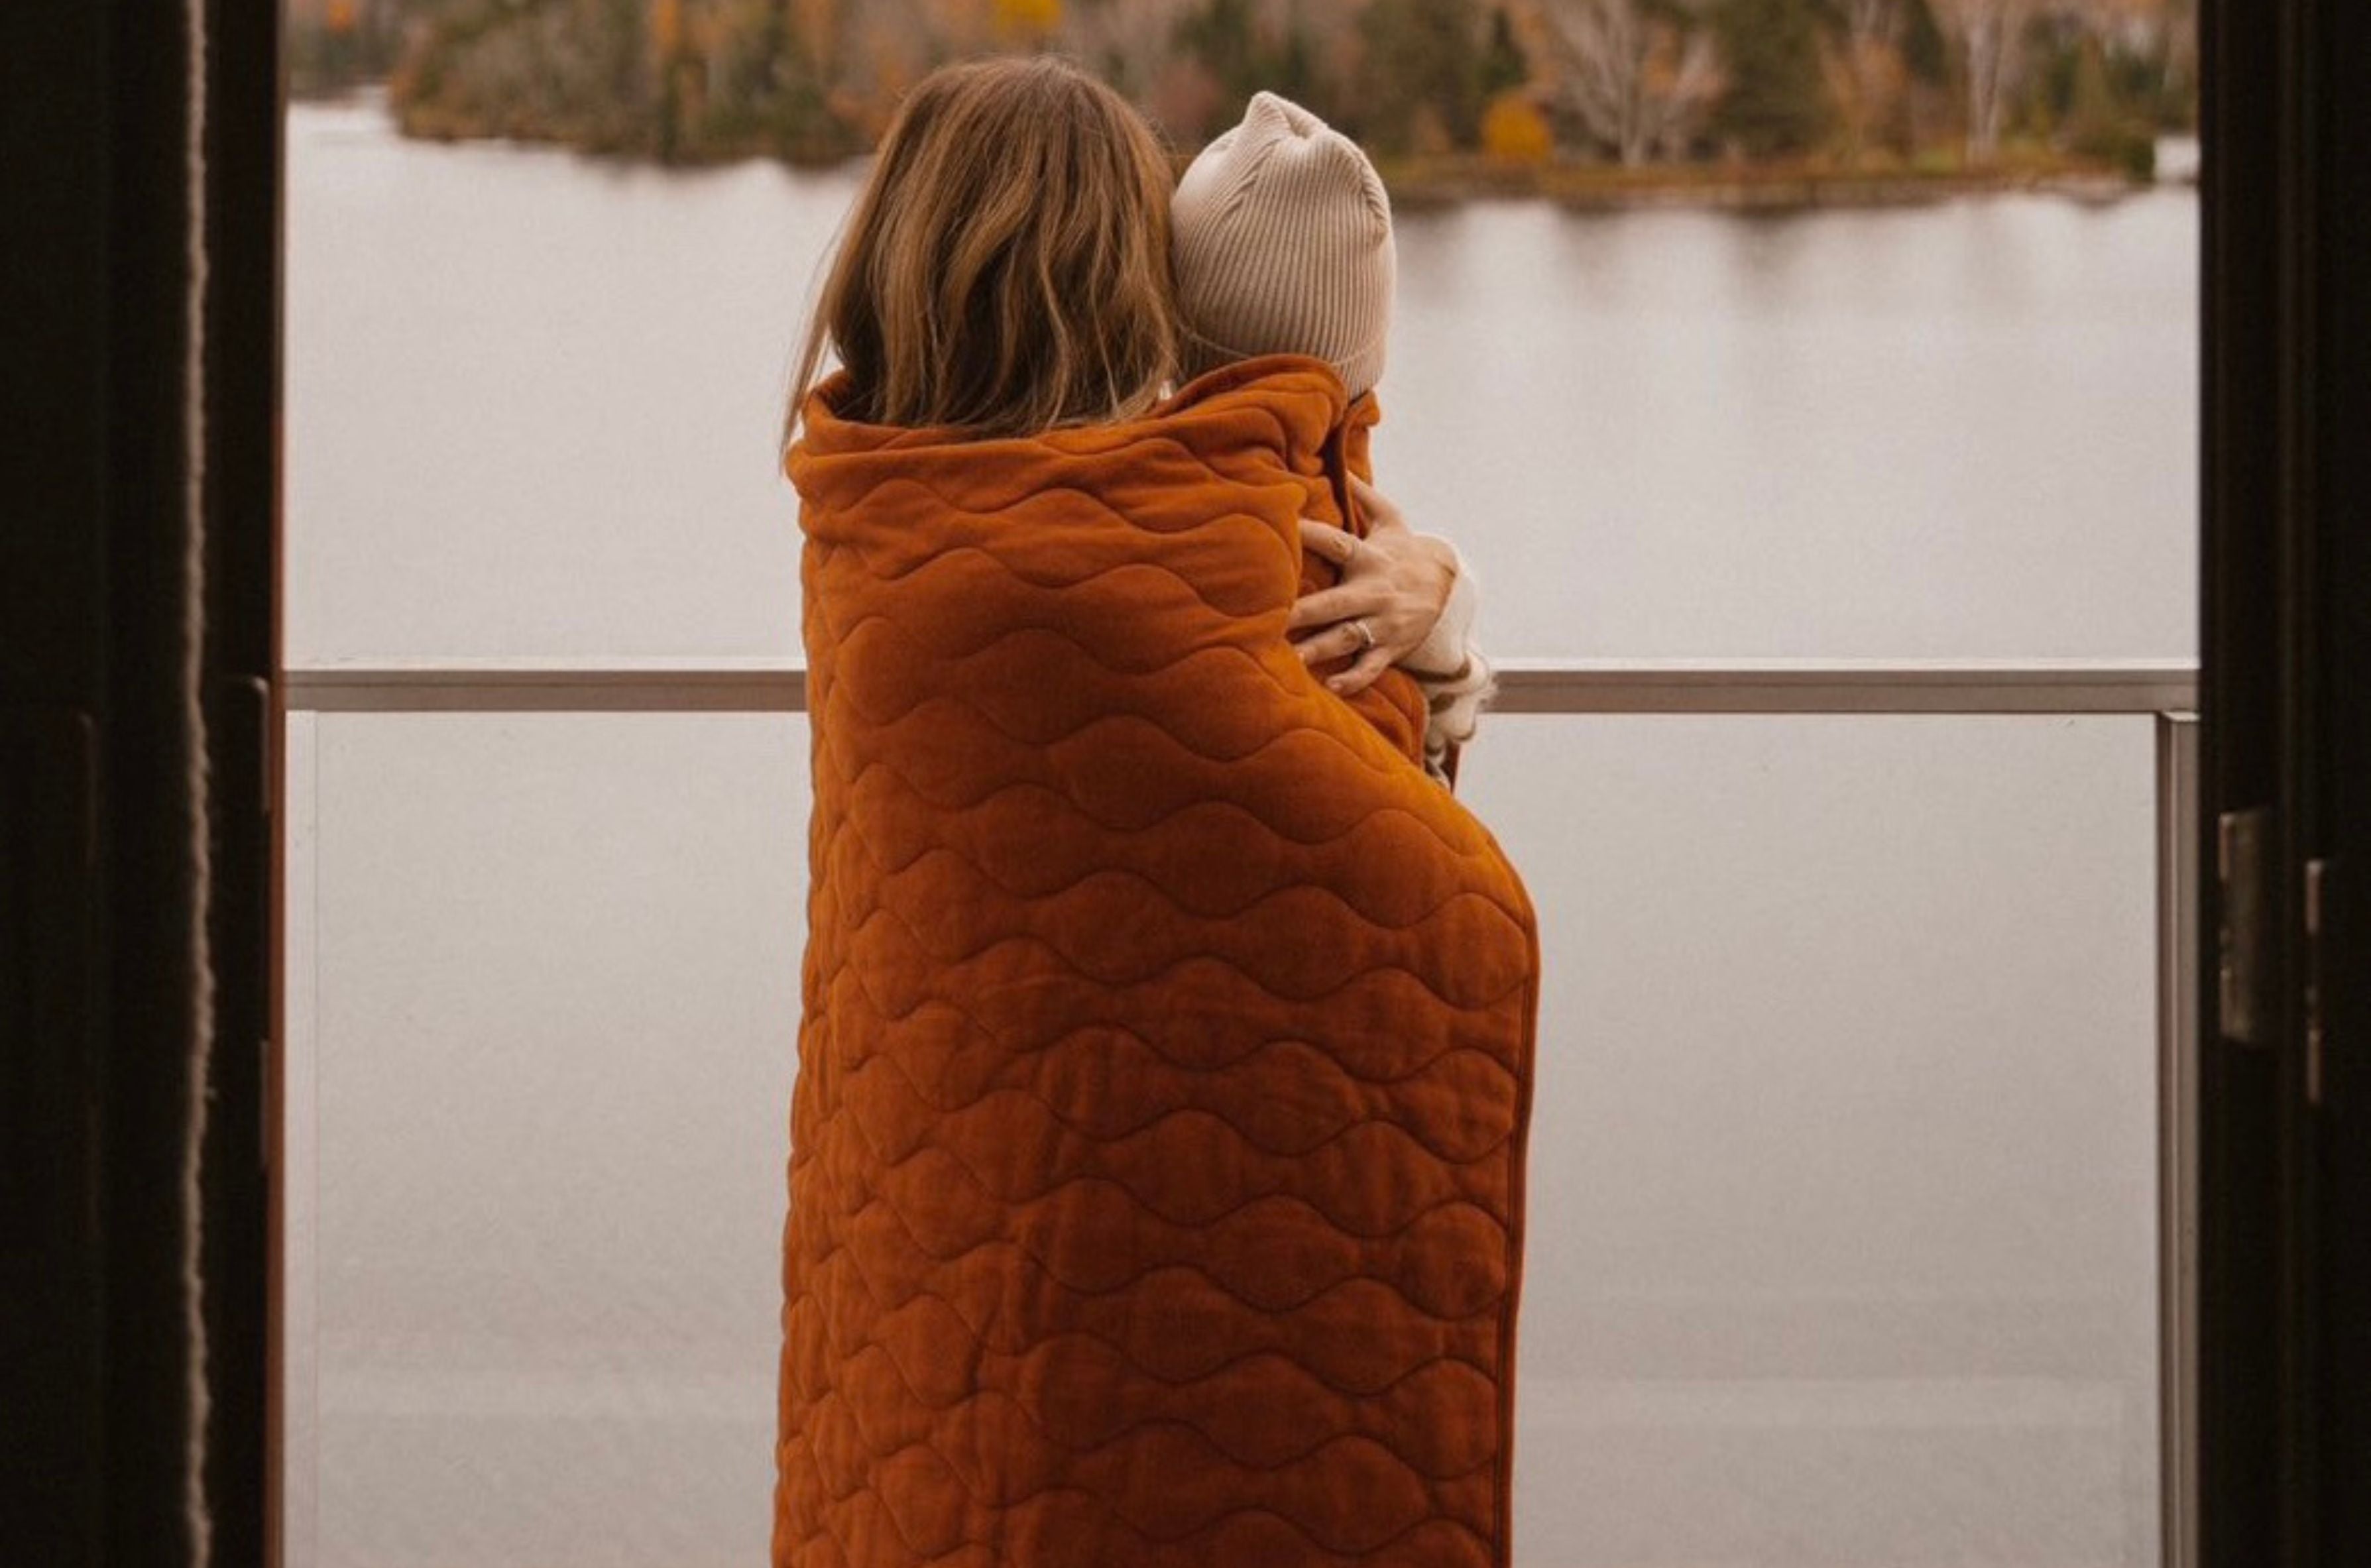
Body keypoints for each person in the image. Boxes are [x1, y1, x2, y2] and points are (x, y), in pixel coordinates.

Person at [774, 55, 1540, 1568]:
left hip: (928, 1203)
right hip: (1141, 1245)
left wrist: (1430, 603)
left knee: (923, 1462)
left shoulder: (864, 507)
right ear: (1112, 278)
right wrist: (1439, 624)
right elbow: (1442, 881)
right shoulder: (1161, 553)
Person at [1169, 89, 1500, 788]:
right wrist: (1446, 607)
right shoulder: (1345, 558)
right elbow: (1428, 781)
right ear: (1366, 359)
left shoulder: (1115, 494)